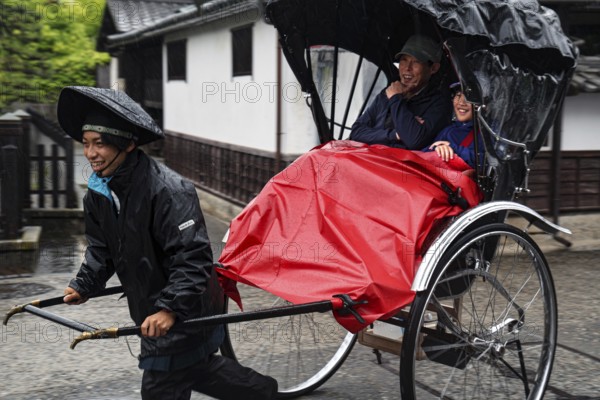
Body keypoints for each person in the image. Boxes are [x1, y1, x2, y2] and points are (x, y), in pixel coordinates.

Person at [58, 86, 277, 400]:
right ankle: (263, 392)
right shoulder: (100, 193)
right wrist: (85, 283)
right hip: (150, 308)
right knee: (199, 369)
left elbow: (193, 257)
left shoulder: (168, 190)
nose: (91, 153)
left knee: (163, 382)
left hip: (186, 306)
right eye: (86, 144)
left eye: (100, 144)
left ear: (127, 144)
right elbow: (102, 248)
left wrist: (170, 309)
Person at [350, 34, 452, 149]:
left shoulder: (439, 103)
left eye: (416, 62)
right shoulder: (387, 93)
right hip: (372, 160)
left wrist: (395, 99)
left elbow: (414, 140)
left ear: (433, 68)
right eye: (404, 60)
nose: (407, 68)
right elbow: (356, 132)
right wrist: (395, 134)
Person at [424, 83, 483, 168]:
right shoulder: (449, 129)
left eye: (468, 98)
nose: (461, 103)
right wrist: (437, 148)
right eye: (458, 95)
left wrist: (454, 149)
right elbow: (424, 153)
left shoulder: (488, 134)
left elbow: (488, 164)